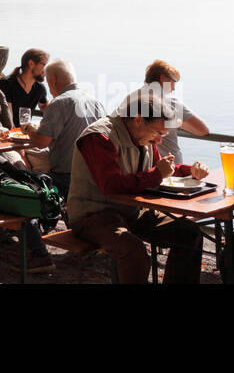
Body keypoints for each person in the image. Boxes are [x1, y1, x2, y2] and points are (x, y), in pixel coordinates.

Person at [65, 88, 211, 284]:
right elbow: (111, 185)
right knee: (133, 251)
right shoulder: (99, 137)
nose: (159, 140)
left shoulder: (144, 136)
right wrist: (158, 173)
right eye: (158, 133)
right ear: (138, 119)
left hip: (130, 213)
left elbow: (160, 169)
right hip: (93, 215)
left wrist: (189, 170)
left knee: (189, 233)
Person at [25, 59, 107, 196]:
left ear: (54, 80)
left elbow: (41, 142)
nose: (49, 89)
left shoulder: (59, 103)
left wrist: (29, 129)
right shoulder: (96, 102)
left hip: (65, 179)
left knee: (20, 174)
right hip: (94, 176)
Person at [144, 59, 208, 164]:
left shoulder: (133, 101)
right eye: (173, 82)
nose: (173, 88)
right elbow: (202, 130)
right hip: (171, 165)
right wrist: (176, 122)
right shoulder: (170, 102)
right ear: (163, 78)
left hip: (145, 165)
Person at [0, 49, 50, 119]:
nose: (47, 69)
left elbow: (46, 108)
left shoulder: (40, 88)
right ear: (31, 63)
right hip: (8, 129)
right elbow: (7, 118)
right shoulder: (6, 84)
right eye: (44, 65)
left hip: (25, 129)